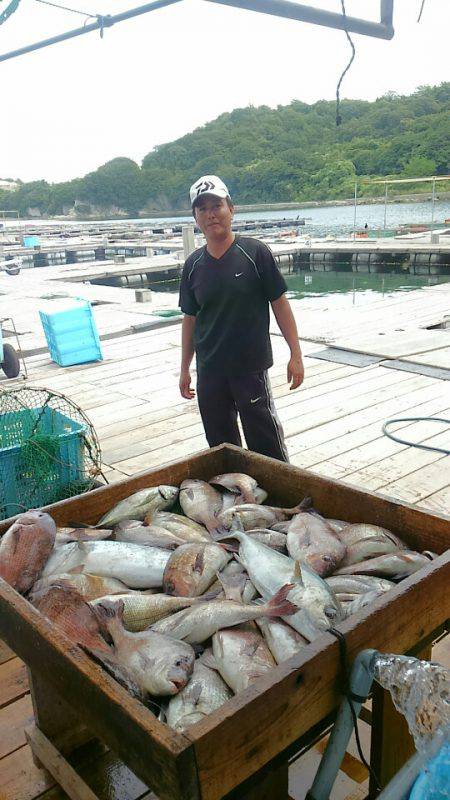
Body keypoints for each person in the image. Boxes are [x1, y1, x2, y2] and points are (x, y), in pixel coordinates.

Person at [178, 175, 304, 462]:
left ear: (231, 209)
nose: (210, 214)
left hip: (250, 368)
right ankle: (235, 489)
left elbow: (280, 304)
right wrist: (185, 368)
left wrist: (295, 354)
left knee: (266, 442)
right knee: (222, 448)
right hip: (210, 371)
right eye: (202, 209)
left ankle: (278, 487)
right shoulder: (193, 265)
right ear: (195, 217)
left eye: (216, 206)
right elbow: (190, 319)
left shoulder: (255, 253)